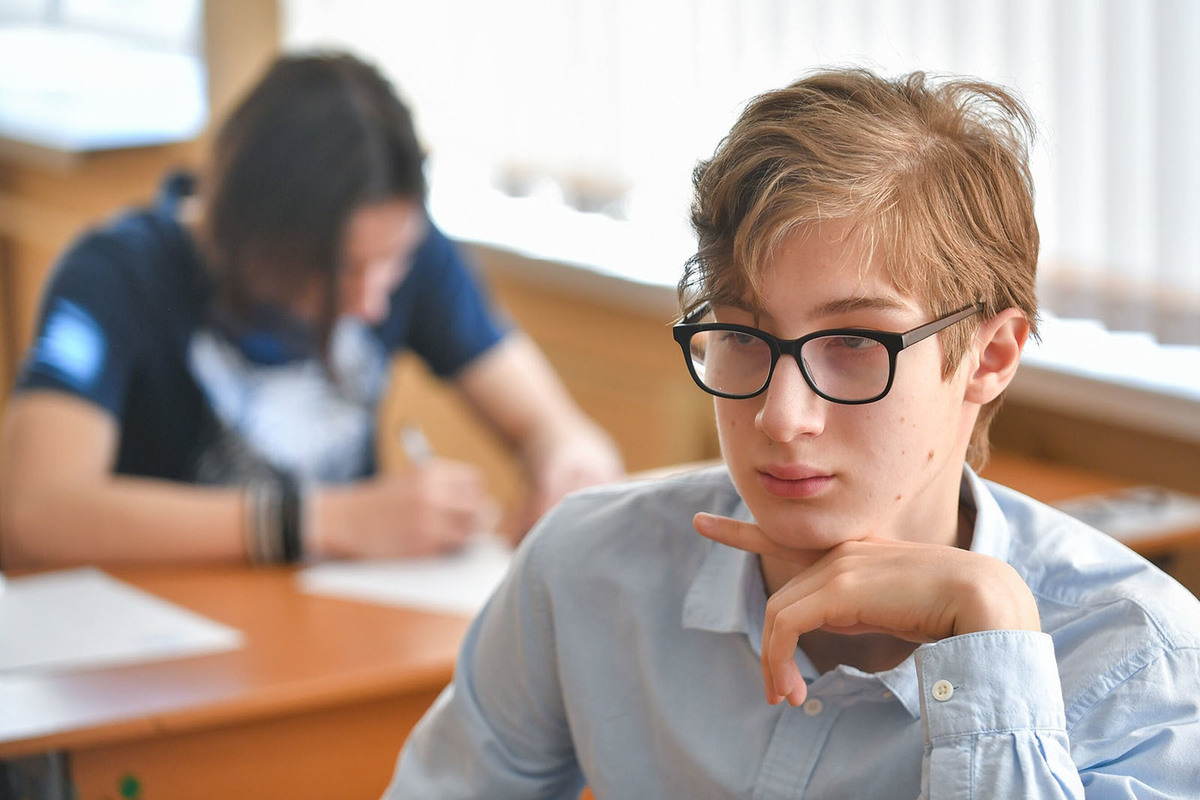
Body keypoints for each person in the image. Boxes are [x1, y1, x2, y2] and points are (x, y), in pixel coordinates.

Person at [380, 68, 1200, 798]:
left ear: (989, 357)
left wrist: (988, 639)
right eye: (742, 334)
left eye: (853, 344)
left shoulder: (1138, 657)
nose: (781, 416)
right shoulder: (590, 571)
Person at [0, 52, 622, 568]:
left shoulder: (403, 252)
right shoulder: (114, 277)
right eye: (343, 272)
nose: (374, 298)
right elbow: (31, 514)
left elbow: (554, 427)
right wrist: (319, 521)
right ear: (253, 237)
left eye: (392, 263)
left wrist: (569, 468)